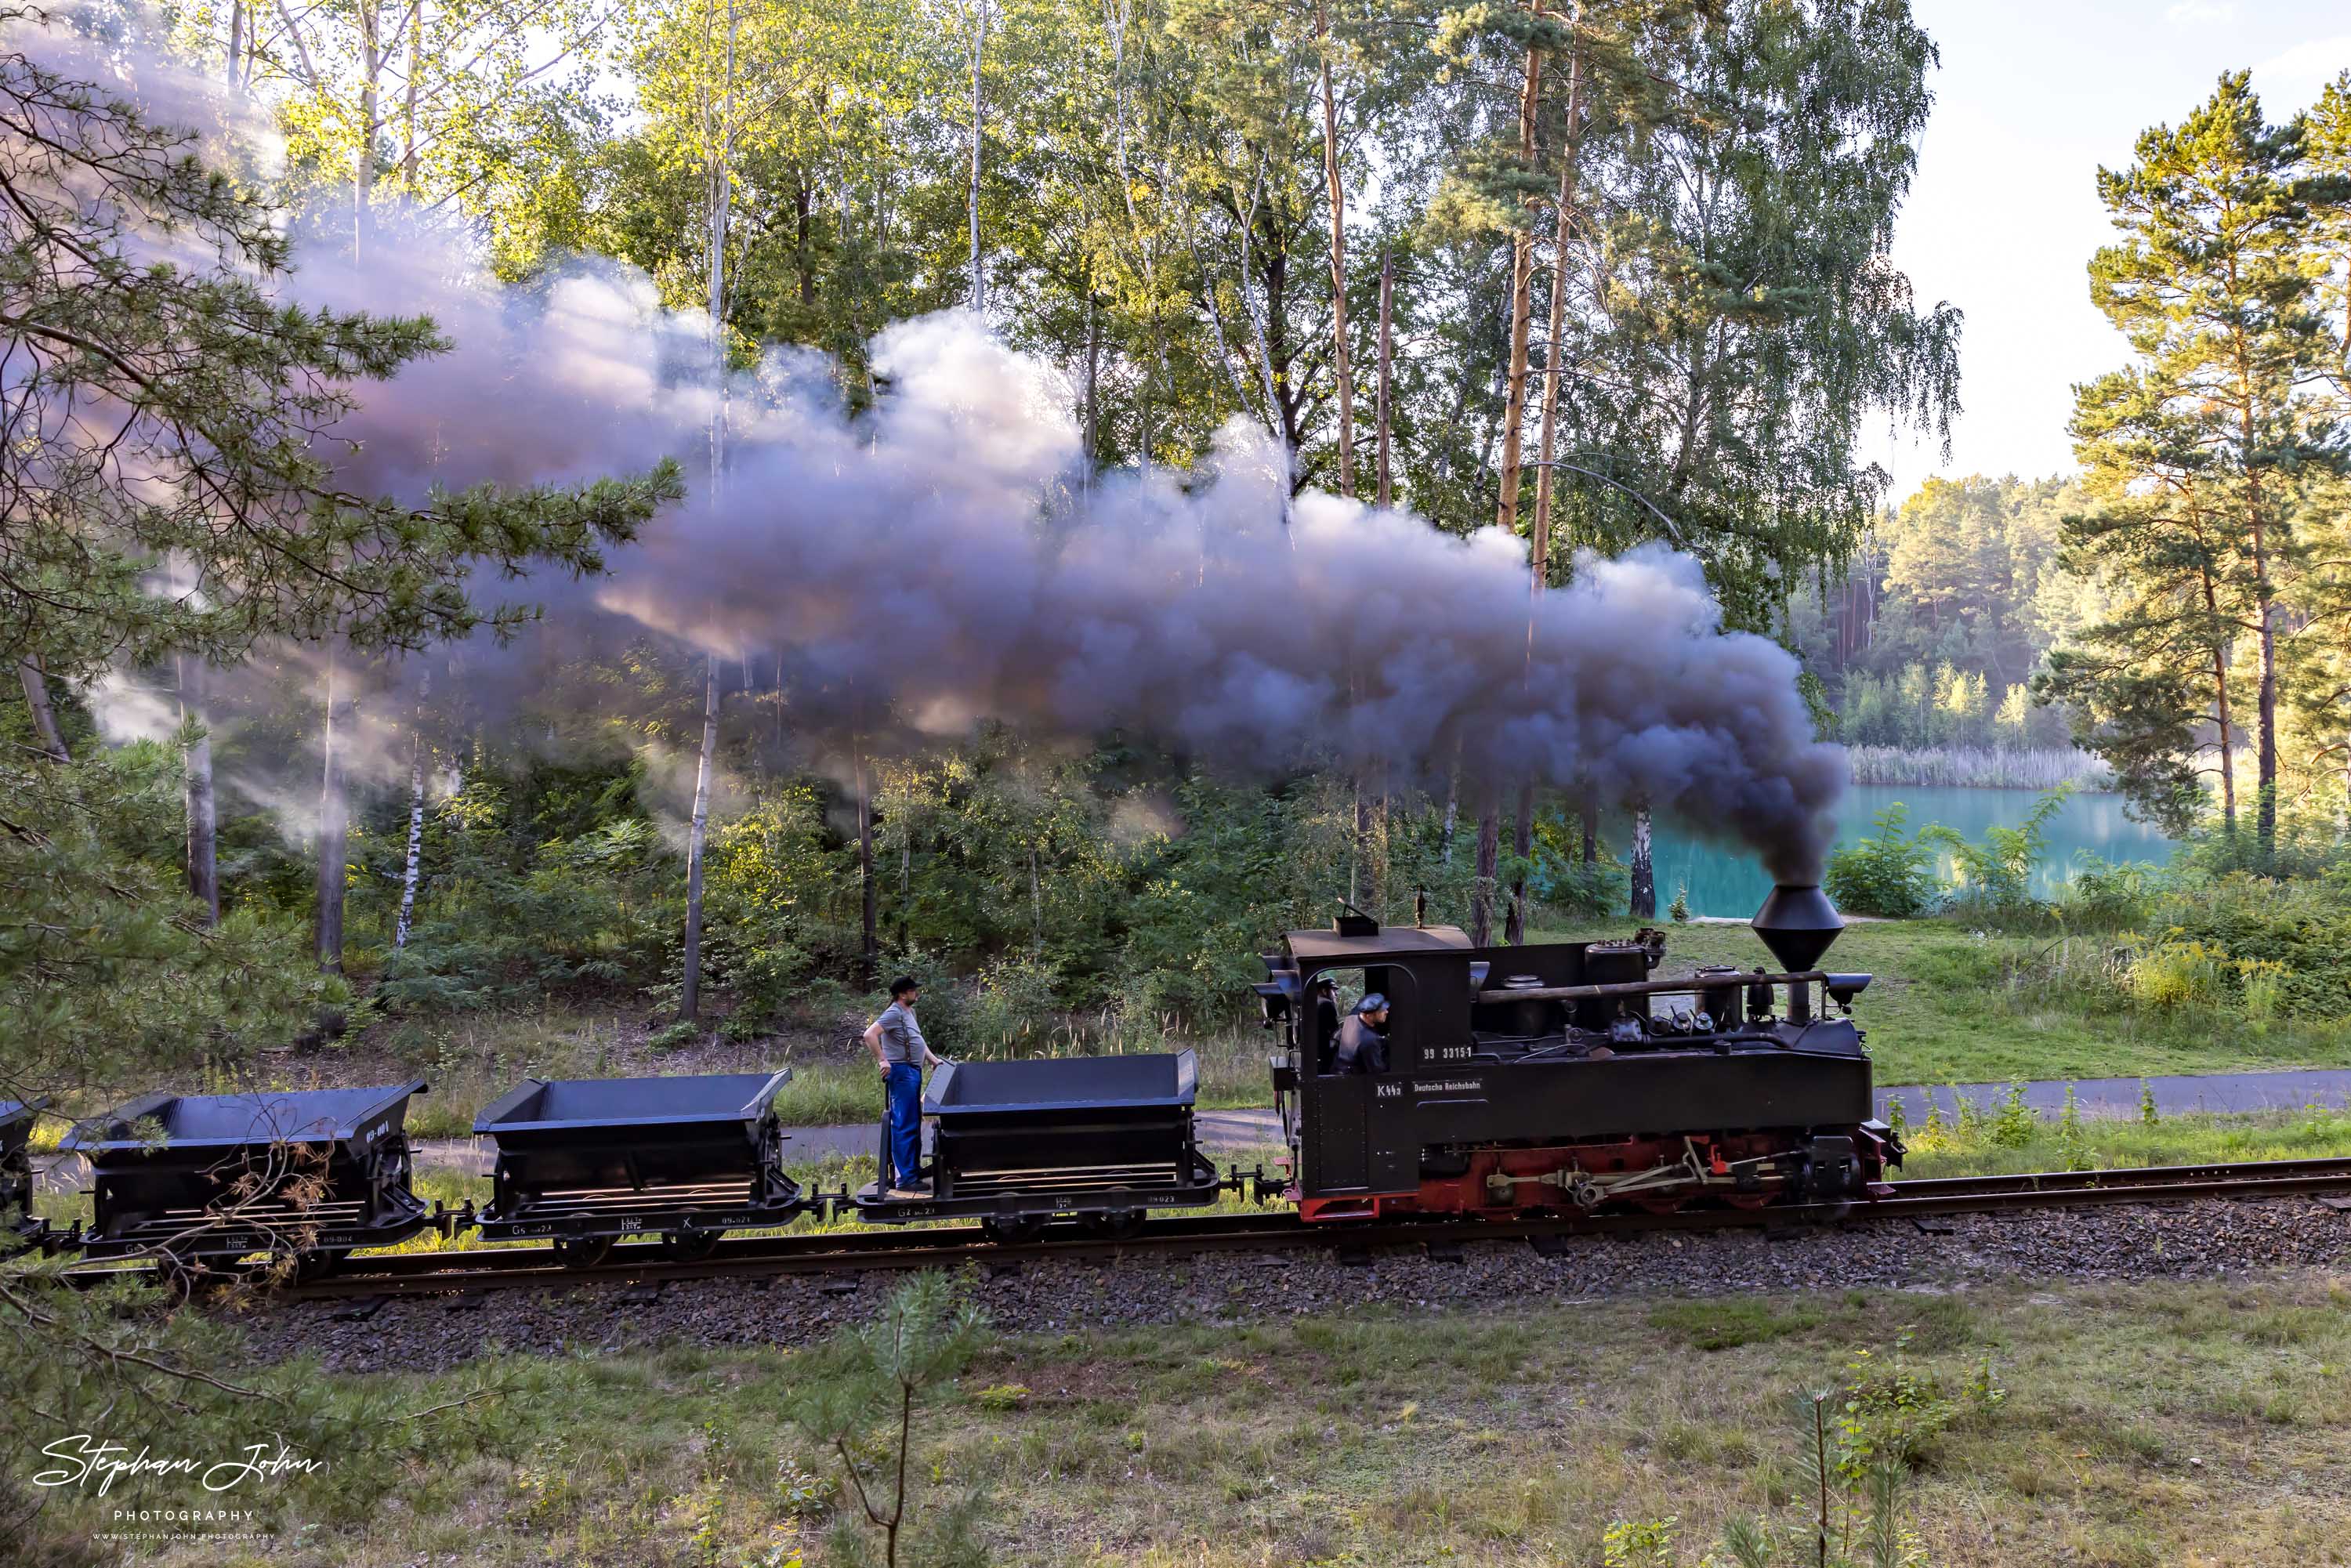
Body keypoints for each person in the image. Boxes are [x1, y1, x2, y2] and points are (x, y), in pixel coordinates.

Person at [864, 975, 944, 1198]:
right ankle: (906, 1179)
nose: (916, 994)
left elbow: (918, 1040)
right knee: (904, 1123)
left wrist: (932, 1059)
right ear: (902, 994)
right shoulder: (894, 1013)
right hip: (901, 1072)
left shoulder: (909, 1012)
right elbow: (869, 1035)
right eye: (912, 991)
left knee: (912, 1121)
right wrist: (882, 1060)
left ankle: (912, 1171)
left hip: (912, 1071)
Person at [1333, 993, 1390, 1075]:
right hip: (1352, 1080)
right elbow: (1377, 1069)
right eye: (1382, 1010)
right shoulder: (1369, 1040)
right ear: (1369, 1015)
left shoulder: (1351, 1019)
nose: (1387, 1012)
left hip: (1339, 1068)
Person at [1312, 977, 1341, 1075]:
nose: (1336, 994)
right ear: (1324, 991)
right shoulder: (1326, 1004)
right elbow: (1334, 1031)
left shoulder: (1314, 1002)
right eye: (1333, 991)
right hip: (1324, 1054)